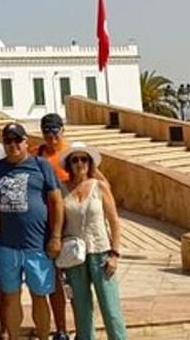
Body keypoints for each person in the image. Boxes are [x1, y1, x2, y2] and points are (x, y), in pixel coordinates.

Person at [0, 122, 64, 340]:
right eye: (8, 141)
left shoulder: (41, 165)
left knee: (40, 296)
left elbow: (57, 201)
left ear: (26, 142)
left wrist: (56, 237)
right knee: (11, 296)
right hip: (7, 246)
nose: (13, 145)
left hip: (37, 245)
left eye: (17, 140)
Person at [34, 113, 102, 340]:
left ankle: (83, 329)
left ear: (63, 130)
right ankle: (61, 329)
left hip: (71, 229)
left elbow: (100, 182)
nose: (51, 135)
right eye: (47, 131)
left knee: (75, 283)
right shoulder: (37, 154)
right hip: (46, 226)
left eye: (55, 130)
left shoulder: (74, 155)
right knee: (54, 281)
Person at [60, 143, 127, 340]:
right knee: (81, 309)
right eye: (75, 159)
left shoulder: (100, 187)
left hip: (100, 251)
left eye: (84, 159)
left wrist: (114, 253)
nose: (80, 163)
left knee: (110, 307)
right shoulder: (62, 189)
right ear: (69, 164)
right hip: (74, 256)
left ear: (90, 163)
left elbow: (114, 221)